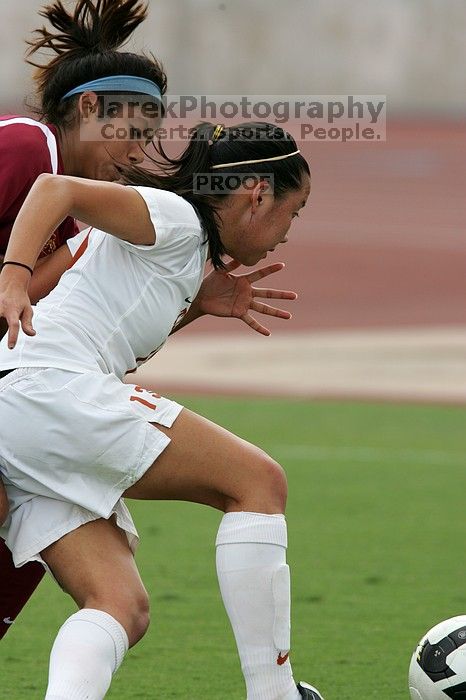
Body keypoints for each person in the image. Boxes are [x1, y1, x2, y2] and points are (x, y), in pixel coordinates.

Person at [0, 121, 322, 700]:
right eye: (292, 212)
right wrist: (14, 277)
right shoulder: (176, 217)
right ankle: (274, 694)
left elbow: (109, 329)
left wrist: (198, 305)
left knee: (120, 606)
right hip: (43, 391)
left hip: (23, 415)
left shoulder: (182, 251)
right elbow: (54, 188)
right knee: (258, 481)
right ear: (258, 194)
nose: (286, 235)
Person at [0, 0, 169, 639]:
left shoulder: (74, 219)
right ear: (91, 108)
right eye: (133, 131)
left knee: (37, 504)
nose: (140, 154)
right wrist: (66, 259)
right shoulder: (25, 147)